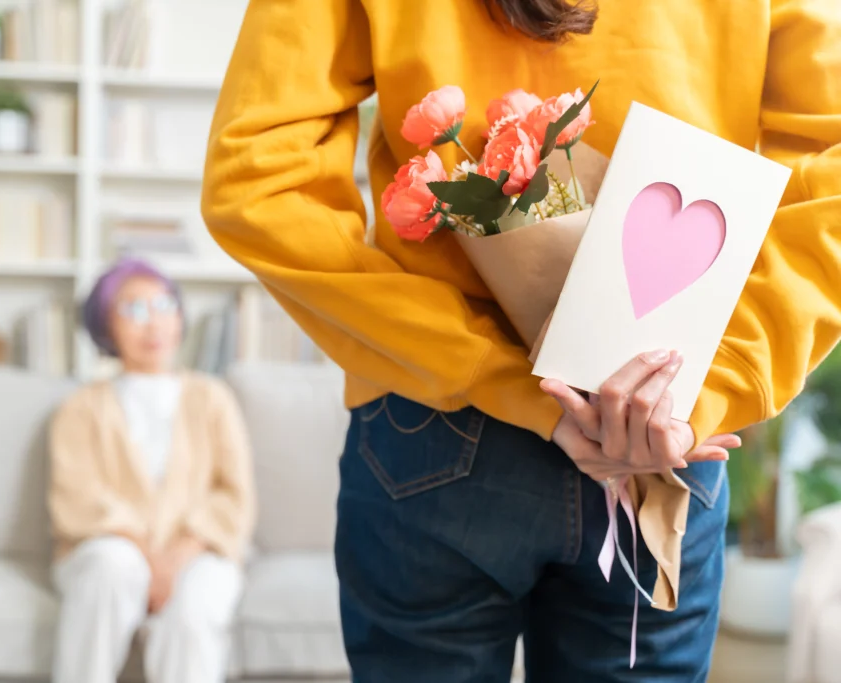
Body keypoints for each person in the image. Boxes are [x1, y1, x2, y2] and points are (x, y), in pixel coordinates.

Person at [201, 1, 841, 681]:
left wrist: (491, 370)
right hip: (660, 440)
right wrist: (707, 385)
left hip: (437, 419)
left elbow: (258, 182)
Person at [48, 259, 256, 683]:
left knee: (194, 610)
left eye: (163, 306)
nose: (154, 323)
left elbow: (234, 495)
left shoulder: (213, 398)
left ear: (180, 315)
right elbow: (76, 496)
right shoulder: (80, 407)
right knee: (114, 564)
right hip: (106, 550)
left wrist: (178, 556)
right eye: (134, 311)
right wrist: (146, 556)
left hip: (200, 550)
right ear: (106, 327)